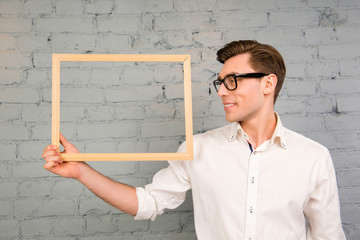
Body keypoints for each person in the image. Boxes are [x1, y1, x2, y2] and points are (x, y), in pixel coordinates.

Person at [42, 40, 346, 240]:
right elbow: (147, 202)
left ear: (268, 83)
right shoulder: (198, 148)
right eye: (220, 82)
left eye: (232, 81)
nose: (221, 91)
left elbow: (328, 237)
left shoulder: (313, 158)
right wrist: (81, 170)